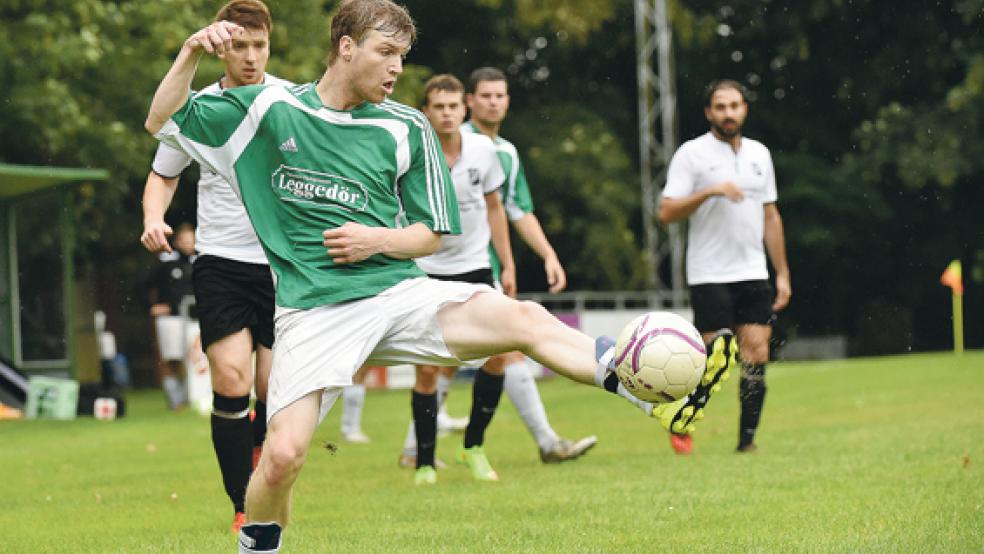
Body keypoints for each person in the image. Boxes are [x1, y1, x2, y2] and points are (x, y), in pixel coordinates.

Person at [144, 1, 731, 549]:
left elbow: (432, 232)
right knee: (282, 458)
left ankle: (646, 394)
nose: (398, 68)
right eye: (385, 52)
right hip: (313, 311)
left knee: (523, 318)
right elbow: (160, 119)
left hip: (399, 294)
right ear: (345, 47)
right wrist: (192, 52)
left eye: (403, 55)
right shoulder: (268, 110)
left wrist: (379, 239)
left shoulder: (406, 127)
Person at [138, 0, 292, 533]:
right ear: (222, 48)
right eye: (240, 46)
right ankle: (242, 506)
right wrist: (153, 217)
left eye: (259, 45)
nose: (250, 57)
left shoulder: (289, 102)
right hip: (222, 262)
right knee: (231, 380)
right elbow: (162, 170)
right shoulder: (200, 109)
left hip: (282, 265)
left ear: (269, 45)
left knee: (274, 389)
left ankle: (259, 462)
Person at [461, 67, 598, 463]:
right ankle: (422, 451)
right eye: (485, 95)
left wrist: (547, 255)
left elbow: (517, 210)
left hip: (486, 269)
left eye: (500, 95)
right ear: (469, 100)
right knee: (445, 360)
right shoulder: (449, 142)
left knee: (505, 350)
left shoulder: (506, 152)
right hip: (446, 267)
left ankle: (544, 442)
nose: (493, 102)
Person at [659, 79, 791, 455]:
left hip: (752, 270)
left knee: (756, 354)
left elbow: (770, 216)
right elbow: (666, 212)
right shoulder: (692, 155)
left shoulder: (759, 155)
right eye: (720, 106)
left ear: (744, 109)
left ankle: (746, 441)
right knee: (708, 357)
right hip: (709, 271)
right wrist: (710, 191)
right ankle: (681, 419)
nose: (728, 113)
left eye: (734, 106)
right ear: (708, 112)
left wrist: (781, 272)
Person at [399, 73, 514, 485]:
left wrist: (507, 262)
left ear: (463, 110)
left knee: (499, 355)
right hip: (426, 271)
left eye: (453, 107)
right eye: (438, 107)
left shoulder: (485, 151)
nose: (446, 114)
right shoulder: (409, 151)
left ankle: (473, 446)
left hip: (477, 267)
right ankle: (425, 463)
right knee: (427, 370)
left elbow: (496, 207)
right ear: (425, 112)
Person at [146, 222, 196, 410]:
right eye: (184, 240)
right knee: (172, 358)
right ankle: (175, 399)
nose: (188, 244)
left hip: (196, 319)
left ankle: (192, 396)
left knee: (193, 358)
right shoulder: (166, 262)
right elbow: (143, 285)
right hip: (173, 319)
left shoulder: (200, 261)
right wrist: (152, 307)